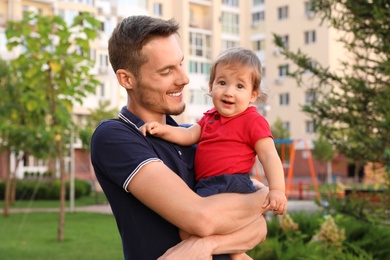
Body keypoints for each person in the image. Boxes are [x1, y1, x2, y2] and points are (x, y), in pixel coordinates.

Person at [90, 15, 270, 260]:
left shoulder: (196, 135)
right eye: (167, 71)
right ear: (126, 79)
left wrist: (204, 247)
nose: (183, 79)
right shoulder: (116, 137)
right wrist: (264, 198)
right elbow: (202, 218)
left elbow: (258, 227)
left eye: (180, 65)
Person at [139, 48, 287, 255]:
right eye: (222, 83)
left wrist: (277, 189)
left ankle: (234, 252)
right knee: (187, 231)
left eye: (240, 86)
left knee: (191, 229)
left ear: (253, 94)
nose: (229, 92)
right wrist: (162, 129)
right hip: (207, 185)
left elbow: (270, 155)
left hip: (233, 183)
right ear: (211, 86)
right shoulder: (209, 117)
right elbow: (189, 135)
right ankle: (234, 251)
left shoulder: (253, 121)